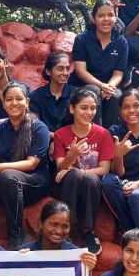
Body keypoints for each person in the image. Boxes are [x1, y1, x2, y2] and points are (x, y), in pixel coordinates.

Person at [0, 83, 52, 250]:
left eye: (19, 99)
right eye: (9, 100)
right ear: (3, 103)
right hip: (5, 184)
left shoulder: (39, 128)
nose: (14, 103)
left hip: (33, 182)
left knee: (8, 176)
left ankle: (16, 234)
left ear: (27, 102)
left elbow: (31, 163)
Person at [52, 87, 114, 255]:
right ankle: (67, 230)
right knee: (74, 175)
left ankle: (89, 233)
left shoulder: (103, 134)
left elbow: (104, 168)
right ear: (72, 109)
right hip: (67, 187)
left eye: (93, 108)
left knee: (91, 178)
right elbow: (60, 167)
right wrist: (72, 155)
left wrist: (77, 171)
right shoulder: (61, 134)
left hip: (90, 188)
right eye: (84, 107)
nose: (89, 112)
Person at [102, 89, 139, 237]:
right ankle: (129, 230)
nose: (131, 111)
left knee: (137, 196)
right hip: (122, 182)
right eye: (126, 107)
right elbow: (118, 173)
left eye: (136, 105)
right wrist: (118, 155)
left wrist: (137, 184)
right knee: (108, 181)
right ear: (120, 111)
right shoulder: (114, 131)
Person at [71, 0, 129, 128]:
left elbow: (118, 73)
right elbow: (81, 71)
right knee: (93, 91)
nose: (106, 19)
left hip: (109, 85)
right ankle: (95, 136)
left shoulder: (121, 42)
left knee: (116, 95)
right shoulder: (82, 39)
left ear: (115, 18)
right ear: (93, 19)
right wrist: (101, 86)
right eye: (101, 15)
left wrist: (108, 87)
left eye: (110, 15)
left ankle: (109, 136)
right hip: (84, 85)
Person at [29, 52, 73, 132]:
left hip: (71, 141)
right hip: (44, 139)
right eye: (60, 69)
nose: (65, 73)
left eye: (67, 69)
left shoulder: (75, 94)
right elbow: (34, 125)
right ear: (48, 71)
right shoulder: (36, 96)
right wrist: (54, 137)